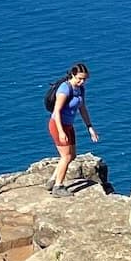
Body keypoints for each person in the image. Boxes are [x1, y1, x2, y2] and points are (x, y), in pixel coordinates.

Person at [48, 63, 98, 196]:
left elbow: (82, 108)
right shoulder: (65, 89)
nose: (82, 82)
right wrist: (61, 131)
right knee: (66, 156)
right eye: (79, 78)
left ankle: (52, 180)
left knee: (72, 155)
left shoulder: (80, 90)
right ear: (72, 75)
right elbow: (57, 111)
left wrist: (90, 127)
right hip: (58, 125)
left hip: (68, 125)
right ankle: (58, 187)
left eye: (84, 79)